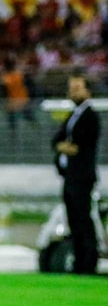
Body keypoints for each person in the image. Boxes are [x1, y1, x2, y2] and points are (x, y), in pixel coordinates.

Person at [52, 74, 101, 275]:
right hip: (70, 176)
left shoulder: (90, 116)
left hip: (82, 176)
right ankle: (79, 261)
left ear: (87, 91)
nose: (73, 92)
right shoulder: (73, 115)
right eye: (71, 88)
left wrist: (64, 146)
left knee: (83, 219)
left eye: (77, 88)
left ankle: (89, 262)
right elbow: (57, 141)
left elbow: (78, 146)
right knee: (73, 219)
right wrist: (63, 146)